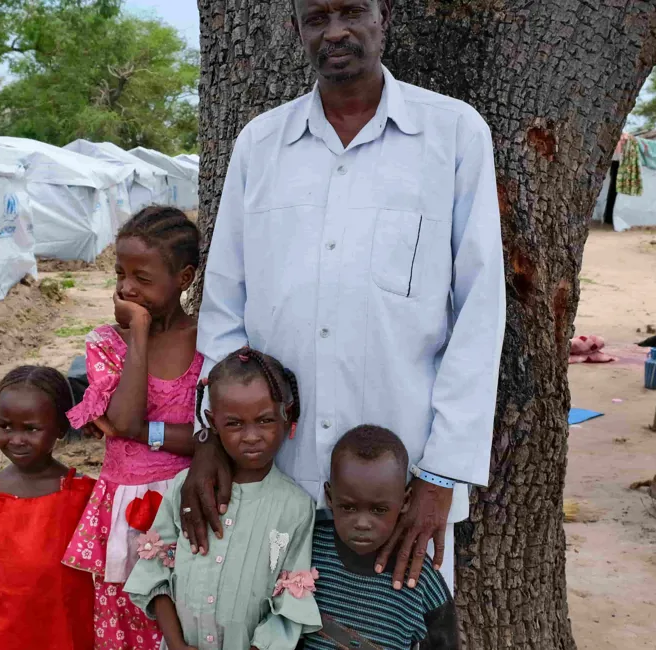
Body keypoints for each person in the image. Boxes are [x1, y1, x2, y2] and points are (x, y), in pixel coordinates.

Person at [186, 0, 506, 593]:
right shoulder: (261, 143)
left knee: (392, 628)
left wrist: (441, 476)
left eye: (352, 12)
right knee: (264, 627)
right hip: (271, 473)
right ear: (296, 30)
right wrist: (212, 438)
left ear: (385, 17)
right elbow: (225, 305)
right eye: (316, 18)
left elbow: (480, 313)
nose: (335, 32)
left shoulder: (453, 134)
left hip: (399, 486)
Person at [64, 206, 203, 650]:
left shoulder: (209, 341)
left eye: (142, 278)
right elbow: (123, 419)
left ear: (184, 278)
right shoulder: (107, 343)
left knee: (188, 614)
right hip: (125, 510)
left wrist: (145, 433)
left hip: (188, 502)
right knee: (127, 616)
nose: (125, 288)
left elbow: (209, 441)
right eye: (120, 273)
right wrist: (139, 332)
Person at [123, 348, 321, 650]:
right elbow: (154, 572)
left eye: (265, 420)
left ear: (287, 416)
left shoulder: (295, 508)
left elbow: (291, 604)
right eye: (234, 424)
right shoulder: (184, 489)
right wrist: (175, 644)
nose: (252, 436)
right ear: (212, 422)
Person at [0, 366, 97, 650]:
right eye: (6, 426)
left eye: (31, 428)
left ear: (61, 428)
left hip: (63, 627)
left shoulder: (82, 493)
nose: (16, 439)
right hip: (3, 628)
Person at [306, 425, 456, 650]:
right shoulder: (310, 550)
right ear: (329, 496)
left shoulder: (419, 578)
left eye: (378, 510)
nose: (362, 523)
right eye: (348, 507)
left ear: (405, 502)